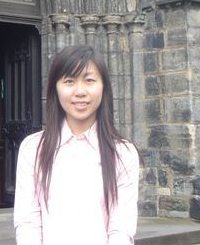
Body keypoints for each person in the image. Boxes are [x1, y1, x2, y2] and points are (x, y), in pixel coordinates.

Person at [14, 45, 140, 245]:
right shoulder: (34, 149)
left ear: (103, 86)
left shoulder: (123, 153)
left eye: (89, 80)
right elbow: (28, 222)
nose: (80, 91)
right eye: (69, 81)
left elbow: (121, 228)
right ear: (55, 88)